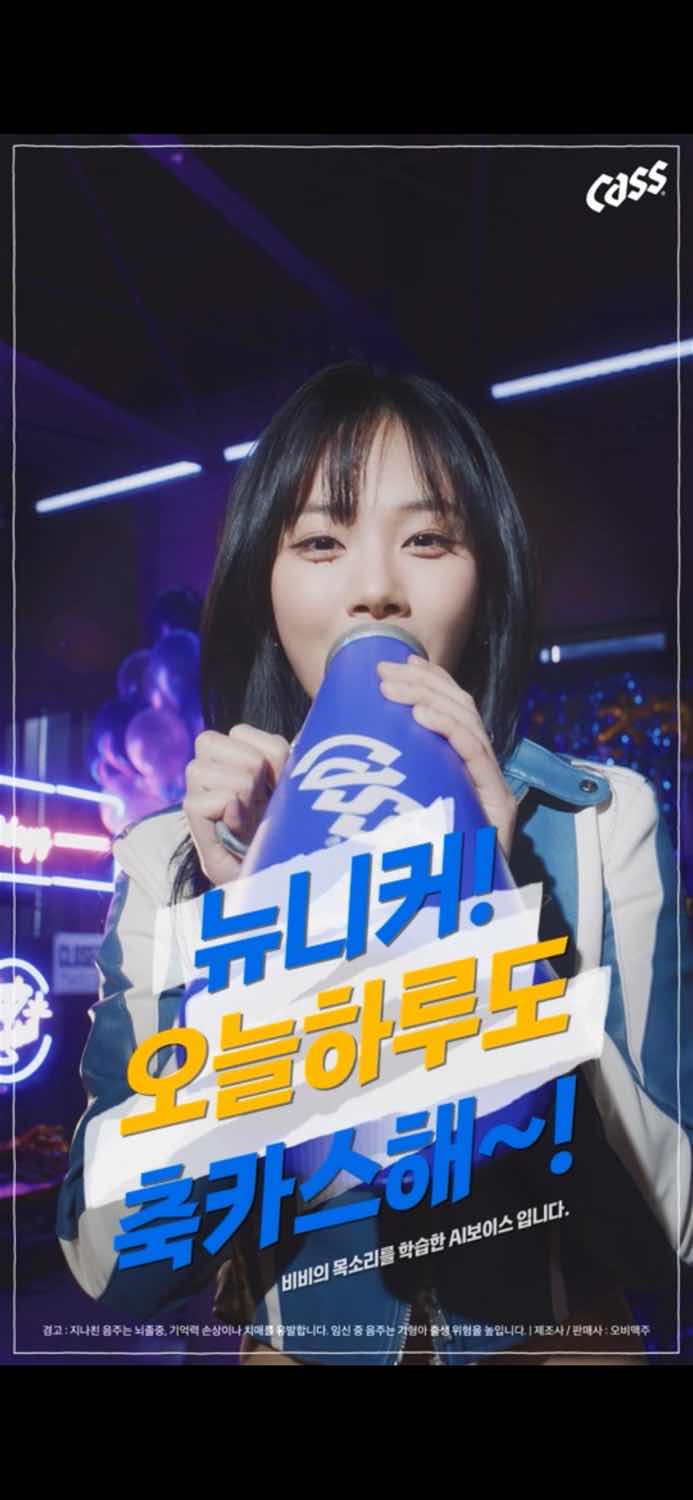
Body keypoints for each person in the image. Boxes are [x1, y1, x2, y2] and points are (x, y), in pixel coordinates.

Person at [57, 362, 692, 1366]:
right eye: (320, 542)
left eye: (427, 539)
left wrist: (498, 901)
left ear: (485, 579)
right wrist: (250, 946)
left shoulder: (597, 819)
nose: (375, 590)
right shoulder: (169, 855)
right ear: (265, 588)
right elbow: (110, 1263)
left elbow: (671, 1231)